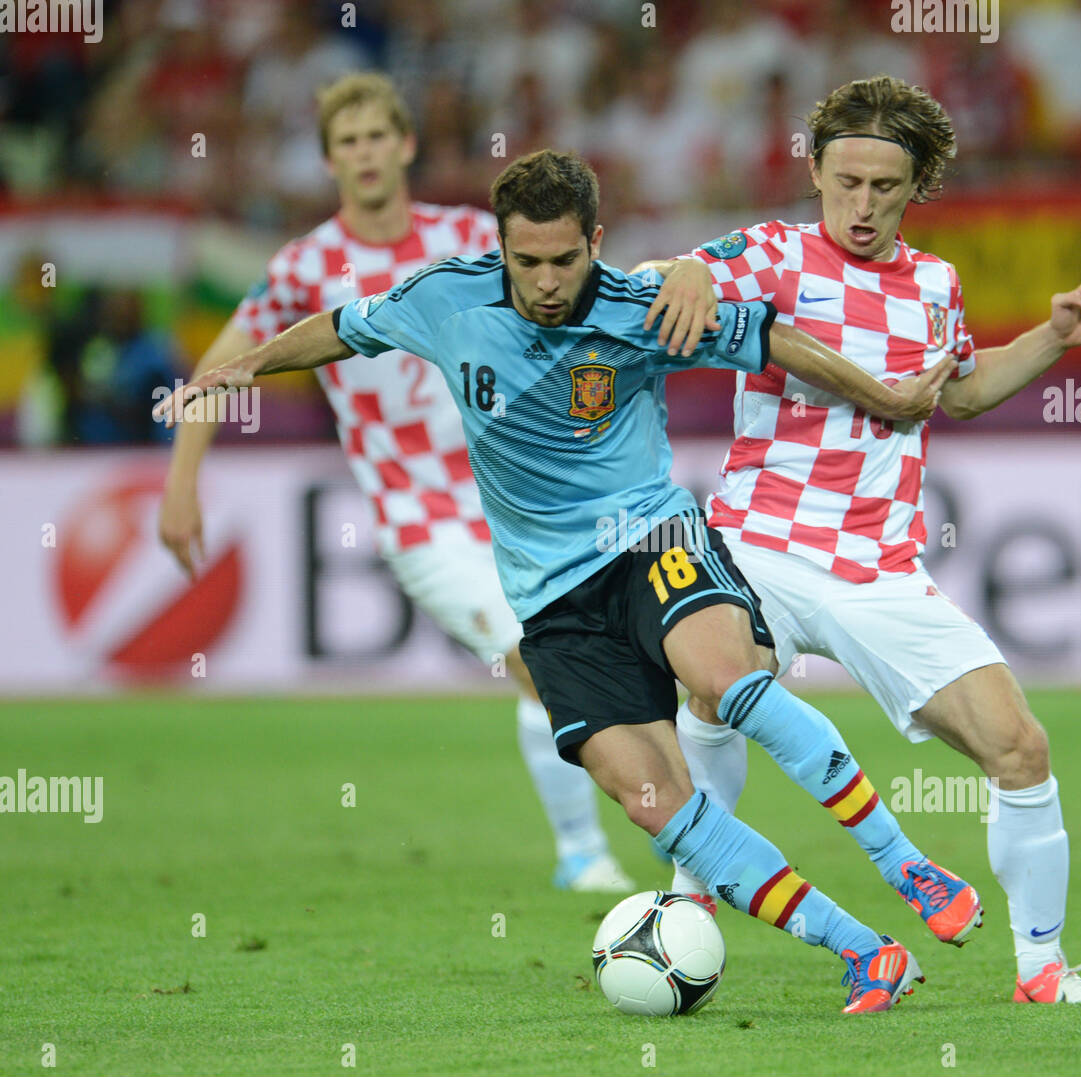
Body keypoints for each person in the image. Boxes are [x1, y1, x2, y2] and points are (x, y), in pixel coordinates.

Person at [155, 148, 975, 1014]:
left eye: (565, 259)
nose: (546, 282)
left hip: (651, 538)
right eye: (526, 262)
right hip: (550, 601)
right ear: (500, 249)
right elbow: (341, 327)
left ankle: (904, 864)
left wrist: (882, 398)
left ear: (597, 241)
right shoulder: (445, 298)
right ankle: (864, 950)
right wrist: (245, 367)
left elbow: (770, 336)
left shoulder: (642, 309)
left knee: (725, 679)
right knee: (653, 800)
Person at [637, 76, 1081, 1004]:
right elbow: (680, 278)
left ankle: (1043, 971)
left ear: (918, 187)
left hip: (876, 566)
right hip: (755, 545)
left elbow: (963, 390)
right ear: (816, 170)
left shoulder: (937, 284)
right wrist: (691, 266)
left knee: (1020, 749)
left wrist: (1056, 338)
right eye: (846, 181)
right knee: (712, 692)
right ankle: (691, 905)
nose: (861, 206)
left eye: (885, 188)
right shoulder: (776, 253)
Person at [157, 73, 634, 893]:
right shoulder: (306, 265)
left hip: (520, 496)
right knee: (535, 660)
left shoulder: (468, 237)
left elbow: (578, 293)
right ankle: (584, 853)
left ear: (406, 144)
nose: (365, 153)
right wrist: (181, 482)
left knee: (619, 654)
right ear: (329, 159)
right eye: (348, 142)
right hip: (418, 518)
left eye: (378, 135)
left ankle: (665, 821)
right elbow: (221, 368)